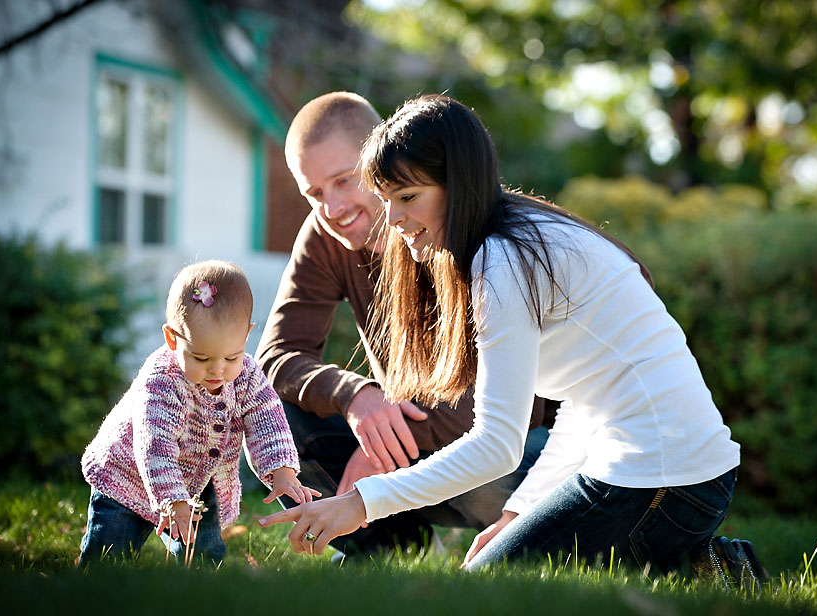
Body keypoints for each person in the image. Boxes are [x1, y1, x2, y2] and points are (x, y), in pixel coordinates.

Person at [258, 94, 742, 577]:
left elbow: (498, 445)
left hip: (667, 479)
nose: (394, 219)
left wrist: (361, 504)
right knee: (493, 571)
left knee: (489, 586)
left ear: (456, 182)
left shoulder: (502, 262)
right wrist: (519, 514)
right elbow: (585, 402)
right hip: (669, 471)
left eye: (407, 198)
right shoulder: (507, 236)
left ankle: (691, 560)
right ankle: (689, 557)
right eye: (388, 200)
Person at [255, 92, 554, 558]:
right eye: (314, 194)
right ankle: (394, 551)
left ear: (380, 160)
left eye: (343, 181)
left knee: (483, 479)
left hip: (522, 446)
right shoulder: (325, 237)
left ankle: (546, 536)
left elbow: (510, 406)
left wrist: (387, 444)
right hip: (414, 434)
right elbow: (275, 357)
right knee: (280, 421)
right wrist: (356, 396)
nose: (332, 208)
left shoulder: (456, 222)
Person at [79, 260, 318, 567]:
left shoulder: (246, 373)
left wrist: (282, 471)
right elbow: (155, 445)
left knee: (203, 554)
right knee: (110, 553)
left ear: (246, 336)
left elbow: (266, 418)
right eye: (201, 358)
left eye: (230, 356)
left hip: (199, 477)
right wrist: (173, 500)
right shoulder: (162, 381)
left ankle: (198, 593)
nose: (217, 370)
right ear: (172, 339)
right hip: (127, 474)